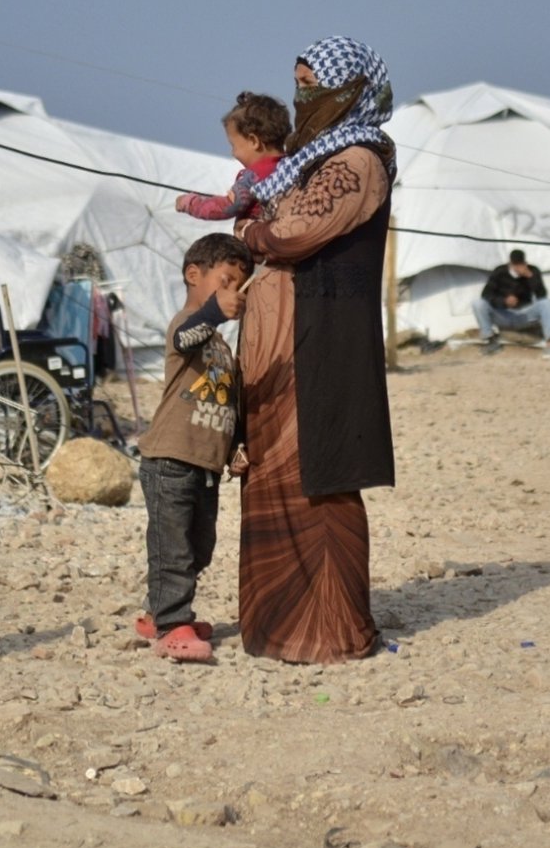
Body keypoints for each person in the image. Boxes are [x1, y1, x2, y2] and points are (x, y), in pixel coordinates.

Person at [233, 36, 396, 664]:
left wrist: (248, 229)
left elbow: (295, 234)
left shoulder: (356, 162)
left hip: (321, 343)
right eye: (296, 83)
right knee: (273, 476)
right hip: (280, 344)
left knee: (320, 480)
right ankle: (278, 623)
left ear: (349, 90)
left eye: (314, 85)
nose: (303, 98)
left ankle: (331, 629)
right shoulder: (306, 161)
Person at [132, 233, 252, 662]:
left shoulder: (220, 346)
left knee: (199, 547)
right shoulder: (188, 325)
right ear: (194, 274)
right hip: (169, 458)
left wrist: (236, 444)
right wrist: (215, 311)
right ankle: (172, 625)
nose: (234, 292)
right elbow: (187, 335)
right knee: (173, 548)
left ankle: (157, 612)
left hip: (205, 465)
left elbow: (229, 400)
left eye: (240, 285)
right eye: (227, 280)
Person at [176, 92, 291, 221]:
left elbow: (226, 207)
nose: (233, 153)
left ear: (254, 141)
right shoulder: (293, 167)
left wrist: (189, 203)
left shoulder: (253, 177)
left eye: (234, 146)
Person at [474, 250, 550, 357]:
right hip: (503, 314)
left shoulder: (533, 271)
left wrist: (530, 276)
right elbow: (486, 295)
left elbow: (541, 295)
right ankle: (491, 341)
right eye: (515, 265)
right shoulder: (499, 271)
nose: (518, 268)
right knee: (478, 303)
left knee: (546, 303)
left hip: (524, 314)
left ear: (525, 263)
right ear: (510, 263)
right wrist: (504, 301)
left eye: (520, 264)